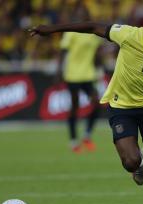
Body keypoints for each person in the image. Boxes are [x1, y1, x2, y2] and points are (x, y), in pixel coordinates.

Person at [29, 10, 143, 204]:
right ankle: (139, 161)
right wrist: (51, 30)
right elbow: (92, 26)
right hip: (121, 107)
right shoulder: (129, 35)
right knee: (130, 162)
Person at [56, 5, 102, 153]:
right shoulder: (71, 33)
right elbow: (62, 52)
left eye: (84, 13)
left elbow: (96, 54)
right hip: (73, 75)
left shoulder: (93, 33)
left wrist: (99, 68)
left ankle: (87, 135)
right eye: (79, 13)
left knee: (96, 102)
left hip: (88, 74)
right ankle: (74, 141)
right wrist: (58, 71)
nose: (81, 16)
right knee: (75, 107)